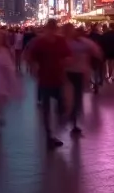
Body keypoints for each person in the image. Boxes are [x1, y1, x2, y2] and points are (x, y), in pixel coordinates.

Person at [26, 20, 72, 149]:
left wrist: (66, 61)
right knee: (47, 109)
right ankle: (49, 136)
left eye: (53, 28)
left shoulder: (60, 41)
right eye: (50, 28)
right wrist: (34, 68)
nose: (51, 31)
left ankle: (54, 131)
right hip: (45, 78)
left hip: (58, 78)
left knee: (62, 107)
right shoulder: (40, 42)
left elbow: (68, 55)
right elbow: (30, 57)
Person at [65, 25, 101, 136]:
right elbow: (97, 52)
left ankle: (72, 117)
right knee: (76, 97)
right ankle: (72, 118)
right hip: (75, 73)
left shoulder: (67, 42)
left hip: (73, 72)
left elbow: (96, 52)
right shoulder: (83, 43)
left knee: (74, 97)